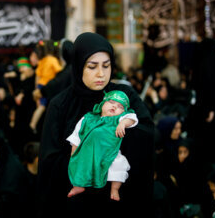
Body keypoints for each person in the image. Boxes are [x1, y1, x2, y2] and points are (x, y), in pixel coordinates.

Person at [37, 32, 155, 218]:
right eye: (92, 67)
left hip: (121, 202)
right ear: (78, 67)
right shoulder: (61, 105)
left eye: (106, 66)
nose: (101, 74)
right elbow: (49, 162)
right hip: (78, 205)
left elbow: (147, 134)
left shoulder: (123, 96)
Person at [66, 90, 138, 201]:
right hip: (87, 151)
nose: (114, 106)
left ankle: (114, 189)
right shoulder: (88, 118)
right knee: (78, 166)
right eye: (111, 102)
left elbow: (132, 118)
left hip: (109, 152)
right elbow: (77, 134)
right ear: (102, 104)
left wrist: (123, 123)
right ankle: (77, 186)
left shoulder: (117, 119)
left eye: (120, 106)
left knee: (119, 165)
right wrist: (74, 150)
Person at [29, 40, 62, 133]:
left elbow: (37, 74)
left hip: (40, 85)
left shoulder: (42, 60)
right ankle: (33, 124)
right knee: (42, 107)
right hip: (46, 87)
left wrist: (36, 88)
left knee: (40, 106)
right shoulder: (53, 60)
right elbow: (60, 70)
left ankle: (35, 123)